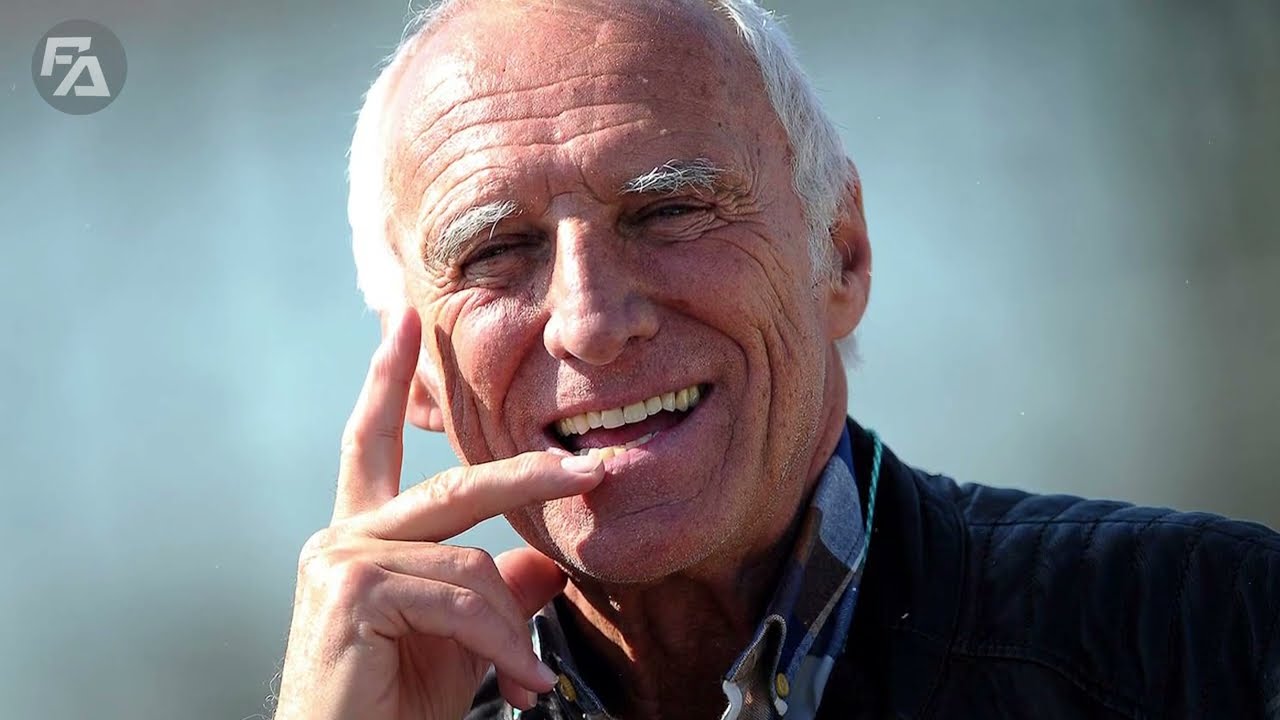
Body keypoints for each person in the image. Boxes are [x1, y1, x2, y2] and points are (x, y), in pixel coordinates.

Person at [273, 1, 1280, 718]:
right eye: (497, 252)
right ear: (416, 372)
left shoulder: (1218, 636)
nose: (588, 321)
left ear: (841, 254)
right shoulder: (386, 705)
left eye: (669, 211)